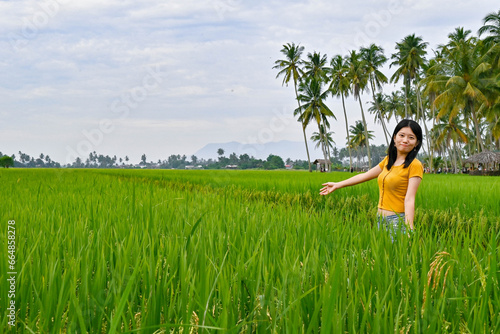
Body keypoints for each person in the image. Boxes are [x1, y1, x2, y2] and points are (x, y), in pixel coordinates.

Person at [320, 119, 423, 237]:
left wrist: (409, 228)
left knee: (395, 254)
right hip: (380, 219)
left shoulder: (415, 165)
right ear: (394, 138)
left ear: (416, 143)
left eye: (411, 137)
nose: (405, 140)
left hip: (397, 221)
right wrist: (338, 184)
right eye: (402, 135)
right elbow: (365, 175)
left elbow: (410, 199)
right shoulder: (388, 160)